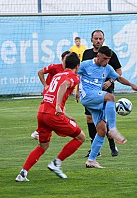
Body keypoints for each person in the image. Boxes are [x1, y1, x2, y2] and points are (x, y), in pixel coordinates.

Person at [16, 52, 85, 182]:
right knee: (80, 137)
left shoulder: (57, 75)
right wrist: (58, 107)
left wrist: (66, 115)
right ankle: (56, 163)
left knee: (43, 146)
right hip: (53, 115)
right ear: (77, 66)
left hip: (42, 113)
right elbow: (64, 86)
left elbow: (51, 97)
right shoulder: (74, 77)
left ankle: (23, 173)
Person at [77, 46, 137, 168]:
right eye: (105, 59)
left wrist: (132, 85)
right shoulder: (86, 65)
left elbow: (118, 77)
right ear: (98, 56)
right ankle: (112, 128)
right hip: (87, 96)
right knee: (110, 97)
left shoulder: (107, 68)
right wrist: (75, 90)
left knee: (101, 131)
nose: (107, 61)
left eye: (108, 59)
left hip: (95, 100)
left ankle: (91, 160)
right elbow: (74, 74)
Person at [81, 30, 122, 157]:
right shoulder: (87, 54)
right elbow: (81, 74)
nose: (98, 40)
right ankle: (95, 149)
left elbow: (119, 72)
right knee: (90, 119)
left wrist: (110, 81)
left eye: (100, 38)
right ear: (91, 40)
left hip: (105, 89)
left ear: (103, 40)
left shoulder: (110, 54)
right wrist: (78, 90)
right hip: (89, 92)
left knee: (105, 118)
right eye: (95, 38)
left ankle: (112, 145)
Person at [30, 50, 71, 140]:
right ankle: (39, 132)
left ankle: (39, 132)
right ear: (62, 59)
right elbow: (40, 72)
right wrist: (45, 85)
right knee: (53, 113)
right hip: (50, 95)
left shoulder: (70, 71)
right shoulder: (55, 67)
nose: (67, 60)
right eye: (66, 58)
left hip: (58, 96)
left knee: (54, 113)